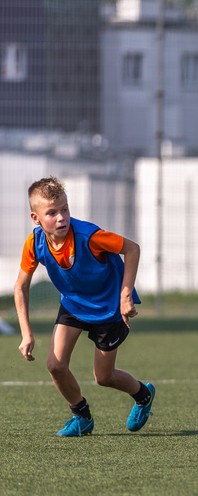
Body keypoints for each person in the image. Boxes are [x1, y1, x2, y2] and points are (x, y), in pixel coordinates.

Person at [13, 177, 156, 437]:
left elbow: (132, 249)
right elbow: (20, 287)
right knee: (55, 365)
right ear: (36, 218)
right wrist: (26, 333)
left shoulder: (89, 237)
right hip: (74, 304)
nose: (61, 217)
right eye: (52, 212)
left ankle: (143, 394)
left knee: (104, 377)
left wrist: (125, 295)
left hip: (109, 309)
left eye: (64, 209)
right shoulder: (35, 243)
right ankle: (82, 416)